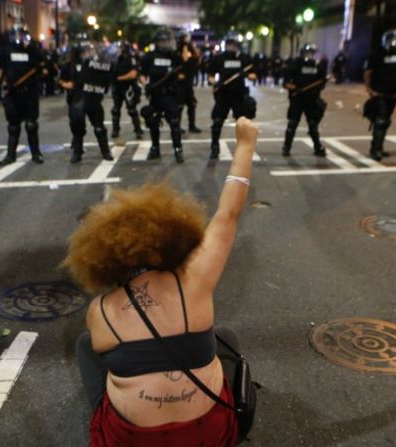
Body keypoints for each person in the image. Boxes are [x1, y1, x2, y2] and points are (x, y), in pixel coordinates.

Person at [67, 117, 259, 446]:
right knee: (225, 337)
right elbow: (227, 214)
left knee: (87, 345)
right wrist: (245, 144)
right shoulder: (194, 280)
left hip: (131, 440)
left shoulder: (101, 310)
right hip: (207, 435)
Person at [0, 23, 47, 165]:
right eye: (18, 34)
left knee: (31, 125)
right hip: (13, 92)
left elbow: (44, 66)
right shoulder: (6, 51)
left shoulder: (33, 50)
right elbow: (1, 70)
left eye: (23, 34)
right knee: (13, 126)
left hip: (29, 92)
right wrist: (2, 80)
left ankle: (36, 153)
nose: (21, 37)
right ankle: (10, 155)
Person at [59, 34, 114, 163]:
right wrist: (67, 85)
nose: (89, 53)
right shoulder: (71, 65)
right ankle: (77, 153)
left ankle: (105, 151)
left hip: (94, 99)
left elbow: (106, 78)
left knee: (99, 128)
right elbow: (62, 80)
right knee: (78, 128)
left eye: (90, 51)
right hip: (78, 100)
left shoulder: (96, 64)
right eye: (86, 51)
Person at [208, 31, 256, 160]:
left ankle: (243, 147)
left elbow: (253, 75)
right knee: (217, 121)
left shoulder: (244, 58)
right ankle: (214, 146)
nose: (231, 47)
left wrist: (246, 75)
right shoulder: (219, 58)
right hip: (223, 94)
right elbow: (211, 76)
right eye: (229, 44)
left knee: (241, 123)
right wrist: (216, 83)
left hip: (239, 95)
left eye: (233, 44)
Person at [363, 29, 396, 161]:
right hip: (379, 93)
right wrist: (369, 89)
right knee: (381, 120)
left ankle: (379, 147)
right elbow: (368, 72)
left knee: (386, 121)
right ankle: (375, 150)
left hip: (393, 94)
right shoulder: (377, 53)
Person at [139, 29, 185, 163]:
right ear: (158, 42)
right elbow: (142, 73)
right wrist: (145, 85)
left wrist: (176, 77)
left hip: (170, 95)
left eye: (168, 41)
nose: (167, 44)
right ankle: (155, 148)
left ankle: (178, 149)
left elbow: (184, 73)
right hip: (155, 95)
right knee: (153, 121)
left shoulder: (175, 56)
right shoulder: (150, 56)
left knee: (174, 122)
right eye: (164, 41)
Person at [281, 43, 328, 157]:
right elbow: (286, 82)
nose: (310, 56)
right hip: (297, 99)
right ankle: (286, 147)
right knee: (292, 123)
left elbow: (322, 82)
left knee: (313, 124)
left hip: (311, 100)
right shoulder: (295, 64)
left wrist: (315, 90)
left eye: (312, 53)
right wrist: (296, 89)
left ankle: (318, 147)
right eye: (307, 53)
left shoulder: (318, 66)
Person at [110, 41, 144, 140]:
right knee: (116, 110)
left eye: (121, 48)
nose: (119, 50)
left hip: (128, 88)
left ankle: (138, 130)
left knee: (132, 109)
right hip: (117, 88)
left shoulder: (131, 59)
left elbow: (133, 74)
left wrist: (120, 78)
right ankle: (115, 130)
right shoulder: (116, 60)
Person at [176, 32, 202, 134]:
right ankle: (177, 126)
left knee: (192, 104)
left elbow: (195, 58)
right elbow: (184, 58)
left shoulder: (190, 47)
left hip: (188, 81)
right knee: (180, 105)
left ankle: (192, 126)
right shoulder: (181, 48)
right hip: (181, 82)